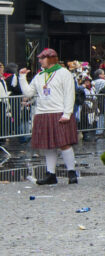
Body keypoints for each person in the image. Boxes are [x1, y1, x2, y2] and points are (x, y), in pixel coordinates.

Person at [20, 48, 79, 184]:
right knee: (48, 145)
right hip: (42, 113)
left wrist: (67, 113)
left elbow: (69, 94)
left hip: (59, 112)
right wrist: (22, 78)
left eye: (42, 58)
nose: (40, 60)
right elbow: (28, 93)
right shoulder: (40, 75)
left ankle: (71, 172)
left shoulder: (64, 73)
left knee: (64, 143)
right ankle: (51, 174)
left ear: (51, 58)